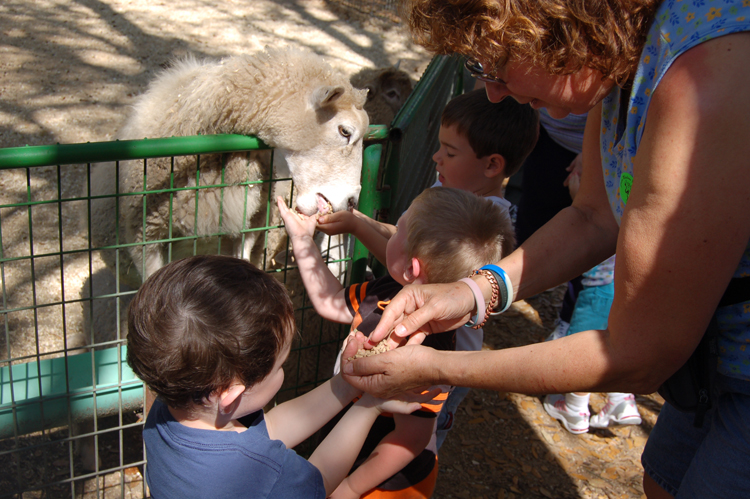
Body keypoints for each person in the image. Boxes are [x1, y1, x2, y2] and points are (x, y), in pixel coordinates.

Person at [340, 2, 750, 498]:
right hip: (713, 362)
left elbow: (639, 354)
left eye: (497, 65)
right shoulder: (616, 60)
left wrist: (436, 368)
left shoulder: (704, 79)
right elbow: (593, 216)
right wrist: (474, 291)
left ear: (557, 26)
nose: (492, 91)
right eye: (479, 69)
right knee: (662, 480)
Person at [317, 89, 537, 450]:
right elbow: (406, 241)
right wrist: (360, 221)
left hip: (442, 358)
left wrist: (359, 228)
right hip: (413, 342)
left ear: (492, 165)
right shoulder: (454, 187)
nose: (437, 157)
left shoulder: (481, 225)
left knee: (413, 436)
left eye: (450, 152)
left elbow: (410, 266)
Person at [277, 186, 515, 499]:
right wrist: (303, 240)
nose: (389, 233)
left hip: (383, 482)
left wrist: (349, 488)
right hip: (345, 444)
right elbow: (333, 301)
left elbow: (411, 439)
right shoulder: (390, 288)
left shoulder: (432, 349)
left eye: (398, 227)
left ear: (411, 267)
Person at [125, 255, 427, 498]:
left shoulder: (169, 411)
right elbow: (317, 480)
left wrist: (347, 384)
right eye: (280, 366)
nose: (283, 368)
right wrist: (369, 406)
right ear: (230, 394)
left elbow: (270, 429)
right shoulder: (264, 476)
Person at [543, 162, 641, 434]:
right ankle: (622, 399)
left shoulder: (604, 207)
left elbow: (590, 216)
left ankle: (574, 406)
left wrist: (579, 194)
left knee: (584, 341)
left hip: (598, 289)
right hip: (628, 289)